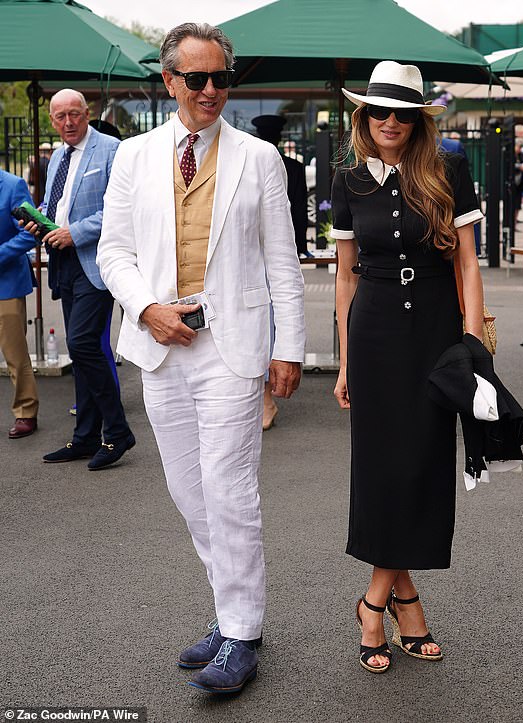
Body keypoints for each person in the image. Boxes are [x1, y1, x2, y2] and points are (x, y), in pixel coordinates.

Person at [96, 23, 305, 695]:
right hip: (160, 346)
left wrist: (289, 347)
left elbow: (283, 262)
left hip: (232, 346)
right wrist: (147, 309)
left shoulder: (259, 158)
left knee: (230, 489)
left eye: (221, 78)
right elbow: (114, 253)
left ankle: (242, 630)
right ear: (170, 81)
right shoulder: (133, 157)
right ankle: (230, 607)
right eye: (198, 78)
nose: (212, 89)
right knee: (189, 492)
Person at [331, 61, 484, 673]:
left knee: (422, 462)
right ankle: (405, 601)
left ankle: (376, 599)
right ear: (363, 116)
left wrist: (471, 345)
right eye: (378, 111)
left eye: (402, 113)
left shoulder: (450, 168)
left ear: (418, 119)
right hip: (372, 334)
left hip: (435, 333)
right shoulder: (347, 177)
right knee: (378, 465)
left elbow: (469, 265)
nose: (390, 122)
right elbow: (344, 275)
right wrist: (343, 361)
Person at [22, 89, 134, 470]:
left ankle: (117, 432)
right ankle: (85, 438)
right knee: (79, 348)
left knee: (86, 344)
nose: (68, 122)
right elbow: (57, 206)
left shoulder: (112, 150)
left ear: (87, 114)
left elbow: (121, 209)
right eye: (60, 117)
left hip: (97, 261)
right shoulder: (56, 158)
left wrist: (75, 232)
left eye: (74, 114)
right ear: (52, 120)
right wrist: (36, 217)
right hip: (64, 262)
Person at [252, 113, 309, 430]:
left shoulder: (258, 160)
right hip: (269, 252)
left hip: (266, 253)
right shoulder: (294, 166)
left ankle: (264, 397)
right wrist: (299, 246)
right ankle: (263, 395)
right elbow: (299, 211)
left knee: (267, 319)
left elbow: (292, 209)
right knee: (268, 318)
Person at [0, 170, 38, 439]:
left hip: (7, 285)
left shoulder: (13, 186)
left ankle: (26, 411)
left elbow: (30, 234)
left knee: (15, 354)